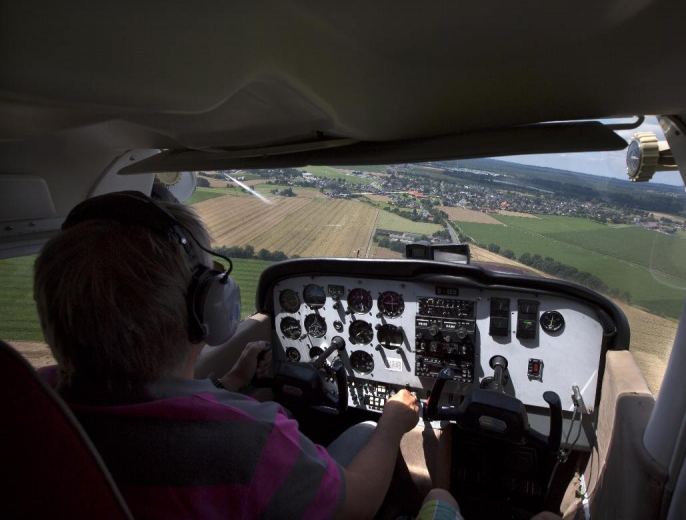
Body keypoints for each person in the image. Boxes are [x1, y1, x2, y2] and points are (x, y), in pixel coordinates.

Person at [33, 191, 426, 519]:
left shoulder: (33, 402)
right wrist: (393, 423)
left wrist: (230, 382)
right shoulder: (250, 438)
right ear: (206, 307)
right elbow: (358, 504)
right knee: (368, 432)